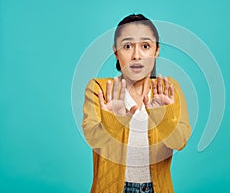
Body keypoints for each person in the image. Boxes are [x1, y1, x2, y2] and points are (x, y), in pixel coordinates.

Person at [81, 14, 191, 193]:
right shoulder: (100, 88)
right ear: (116, 51)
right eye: (127, 46)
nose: (136, 55)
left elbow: (180, 142)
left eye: (145, 46)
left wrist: (161, 117)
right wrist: (114, 120)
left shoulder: (169, 90)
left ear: (156, 50)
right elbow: (92, 139)